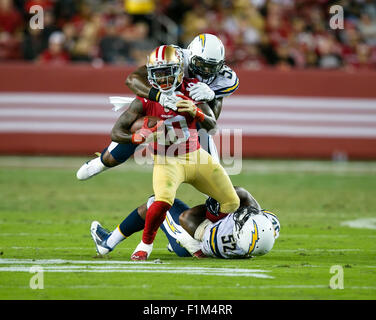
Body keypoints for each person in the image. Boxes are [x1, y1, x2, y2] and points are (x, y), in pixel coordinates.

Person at [104, 44, 240, 260]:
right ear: (150, 76)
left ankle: (202, 232)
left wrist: (198, 111)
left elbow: (212, 127)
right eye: (158, 74)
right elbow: (116, 131)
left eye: (168, 73)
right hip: (167, 160)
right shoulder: (146, 97)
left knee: (232, 202)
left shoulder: (192, 89)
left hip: (196, 156)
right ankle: (144, 246)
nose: (164, 79)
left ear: (180, 70)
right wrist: (135, 138)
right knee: (163, 200)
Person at [76, 33, 239, 180]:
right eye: (201, 64)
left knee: (213, 175)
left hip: (189, 119)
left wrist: (211, 94)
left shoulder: (225, 78)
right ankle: (101, 163)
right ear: (190, 55)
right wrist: (160, 97)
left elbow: (211, 121)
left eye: (211, 67)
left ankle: (216, 206)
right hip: (157, 108)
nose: (205, 70)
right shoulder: (175, 56)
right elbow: (133, 78)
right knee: (112, 157)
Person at [90, 186, 280, 259]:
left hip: (191, 242)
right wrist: (231, 195)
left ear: (238, 233)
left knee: (156, 202)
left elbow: (186, 219)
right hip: (205, 238)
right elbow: (245, 196)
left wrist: (210, 209)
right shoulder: (266, 228)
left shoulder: (219, 240)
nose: (245, 214)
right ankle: (174, 245)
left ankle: (107, 243)